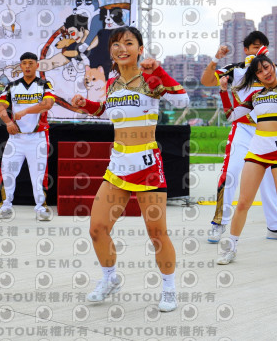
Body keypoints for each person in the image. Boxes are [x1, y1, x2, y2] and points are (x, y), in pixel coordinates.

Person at [71, 26, 190, 312]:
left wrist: (159, 72)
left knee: (157, 233)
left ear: (140, 49)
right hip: (117, 166)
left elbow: (182, 101)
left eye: (128, 43)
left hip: (147, 166)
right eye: (116, 44)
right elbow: (106, 111)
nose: (122, 48)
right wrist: (86, 105)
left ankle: (169, 288)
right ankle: (110, 278)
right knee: (97, 229)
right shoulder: (112, 83)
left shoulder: (149, 78)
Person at [200, 31, 277, 243]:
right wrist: (216, 58)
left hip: (269, 133)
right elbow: (206, 81)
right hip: (243, 128)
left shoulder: (275, 70)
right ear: (246, 50)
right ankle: (219, 223)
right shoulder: (236, 69)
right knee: (231, 173)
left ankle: (275, 227)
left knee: (270, 180)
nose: (258, 50)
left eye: (262, 47)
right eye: (254, 47)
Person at [216, 50, 277, 268]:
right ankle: (231, 248)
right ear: (256, 76)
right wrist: (223, 91)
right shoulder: (254, 96)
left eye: (266, 67)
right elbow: (231, 116)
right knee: (243, 203)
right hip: (257, 150)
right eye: (259, 71)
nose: (265, 72)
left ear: (273, 67)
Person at [0, 51, 56, 221]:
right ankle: (5, 207)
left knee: (39, 174)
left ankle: (41, 208)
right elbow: (0, 107)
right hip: (16, 138)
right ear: (20, 66)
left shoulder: (45, 84)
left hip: (38, 137)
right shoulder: (11, 86)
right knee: (7, 170)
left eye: (31, 63)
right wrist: (8, 122)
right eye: (24, 63)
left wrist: (25, 111)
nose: (27, 66)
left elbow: (48, 103)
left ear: (37, 65)